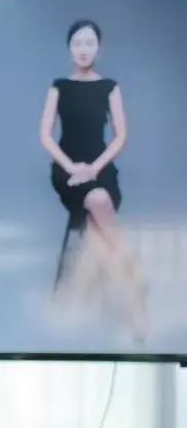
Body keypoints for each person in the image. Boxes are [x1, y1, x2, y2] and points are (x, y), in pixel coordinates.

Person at [39, 18, 147, 340]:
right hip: (67, 170)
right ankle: (135, 280)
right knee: (99, 202)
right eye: (78, 43)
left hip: (101, 168)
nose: (84, 49)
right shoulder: (59, 86)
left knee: (99, 227)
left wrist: (94, 168)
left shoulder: (109, 87)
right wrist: (73, 168)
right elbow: (45, 136)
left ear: (99, 48)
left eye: (90, 43)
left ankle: (125, 309)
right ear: (69, 48)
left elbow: (121, 136)